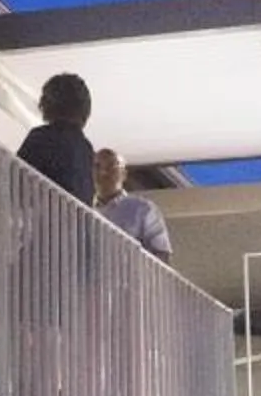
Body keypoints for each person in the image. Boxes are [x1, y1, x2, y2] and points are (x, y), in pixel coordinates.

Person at [16, 72, 94, 201]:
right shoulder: (86, 148)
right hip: (77, 219)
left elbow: (13, 180)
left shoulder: (41, 137)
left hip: (46, 216)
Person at [94, 148, 172, 262]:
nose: (103, 172)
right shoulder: (82, 209)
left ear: (124, 174)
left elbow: (162, 254)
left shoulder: (142, 209)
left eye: (111, 166)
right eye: (97, 166)